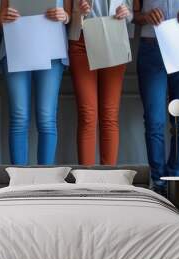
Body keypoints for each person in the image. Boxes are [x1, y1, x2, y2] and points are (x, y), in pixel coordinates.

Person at [134, 0, 179, 196]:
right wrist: (145, 17)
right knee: (154, 121)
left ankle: (175, 184)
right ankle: (159, 185)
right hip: (151, 47)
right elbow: (134, 14)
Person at [0, 0, 71, 165]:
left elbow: (70, 14)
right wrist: (3, 17)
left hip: (51, 49)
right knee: (19, 117)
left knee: (47, 118)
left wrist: (65, 16)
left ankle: (45, 184)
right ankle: (19, 184)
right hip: (16, 47)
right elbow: (0, 17)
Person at [68, 0, 133, 166]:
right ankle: (86, 181)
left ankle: (108, 181)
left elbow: (132, 13)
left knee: (110, 114)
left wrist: (127, 13)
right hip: (82, 40)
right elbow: (66, 12)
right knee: (87, 115)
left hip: (114, 37)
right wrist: (78, 12)